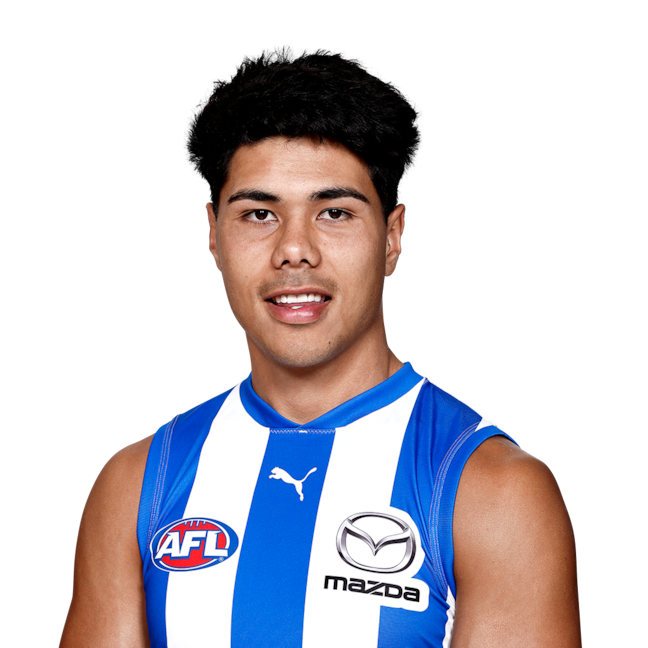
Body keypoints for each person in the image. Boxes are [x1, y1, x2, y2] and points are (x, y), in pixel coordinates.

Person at [59, 44, 581, 647]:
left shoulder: (491, 492)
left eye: (334, 212)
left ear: (393, 236)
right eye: (259, 215)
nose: (294, 250)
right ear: (212, 236)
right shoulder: (138, 484)